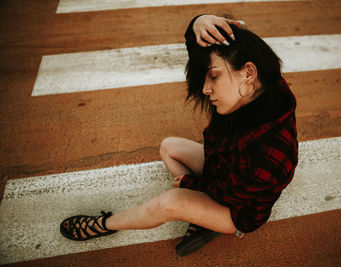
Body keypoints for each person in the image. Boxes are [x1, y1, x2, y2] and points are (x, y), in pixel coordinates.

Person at [60, 14, 298, 257]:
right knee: (169, 147)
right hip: (222, 167)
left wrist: (189, 184)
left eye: (213, 76)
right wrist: (198, 23)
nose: (206, 89)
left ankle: (103, 225)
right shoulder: (258, 87)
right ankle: (200, 218)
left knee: (170, 202)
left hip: (237, 211)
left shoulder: (273, 154)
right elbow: (202, 52)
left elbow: (226, 192)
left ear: (248, 73)